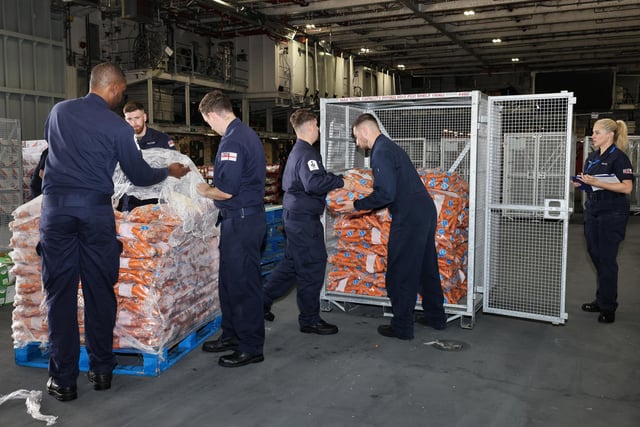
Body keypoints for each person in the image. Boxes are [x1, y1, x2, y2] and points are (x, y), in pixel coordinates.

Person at [38, 62, 190, 402]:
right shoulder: (118, 127)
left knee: (59, 294)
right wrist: (170, 170)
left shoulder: (59, 112)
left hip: (56, 210)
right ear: (116, 88)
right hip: (94, 212)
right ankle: (102, 370)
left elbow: (51, 152)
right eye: (122, 91)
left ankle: (63, 381)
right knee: (98, 290)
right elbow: (138, 175)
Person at [336, 113, 446, 340]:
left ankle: (402, 327)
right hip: (424, 211)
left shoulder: (381, 152)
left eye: (356, 137)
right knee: (426, 268)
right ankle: (436, 318)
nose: (358, 144)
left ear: (366, 130)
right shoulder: (390, 147)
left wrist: (357, 205)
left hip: (410, 217)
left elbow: (386, 193)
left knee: (400, 272)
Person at [196, 90, 267, 368]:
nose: (209, 127)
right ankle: (232, 334)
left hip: (243, 221)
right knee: (228, 282)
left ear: (212, 114)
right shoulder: (241, 134)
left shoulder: (234, 141)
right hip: (237, 220)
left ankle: (251, 346)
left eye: (207, 121)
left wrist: (202, 189)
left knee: (243, 285)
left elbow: (225, 191)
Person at [263, 109, 346, 335]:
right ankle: (309, 319)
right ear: (310, 126)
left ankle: (261, 300)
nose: (318, 129)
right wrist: (340, 181)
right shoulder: (308, 153)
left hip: (294, 216)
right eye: (317, 125)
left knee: (291, 264)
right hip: (303, 221)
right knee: (313, 265)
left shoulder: (297, 152)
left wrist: (326, 177)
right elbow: (313, 183)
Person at [574, 118, 633, 324]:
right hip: (593, 210)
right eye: (593, 132)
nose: (593, 136)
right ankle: (602, 299)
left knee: (607, 260)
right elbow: (592, 184)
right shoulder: (591, 157)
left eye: (597, 132)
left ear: (610, 135)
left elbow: (627, 188)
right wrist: (581, 182)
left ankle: (608, 306)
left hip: (612, 213)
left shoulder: (619, 158)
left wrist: (597, 182)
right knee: (596, 255)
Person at [118, 101, 177, 211]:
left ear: (144, 117)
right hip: (131, 200)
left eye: (137, 118)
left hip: (157, 199)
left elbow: (174, 166)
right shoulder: (122, 142)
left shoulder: (162, 140)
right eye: (129, 119)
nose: (134, 123)